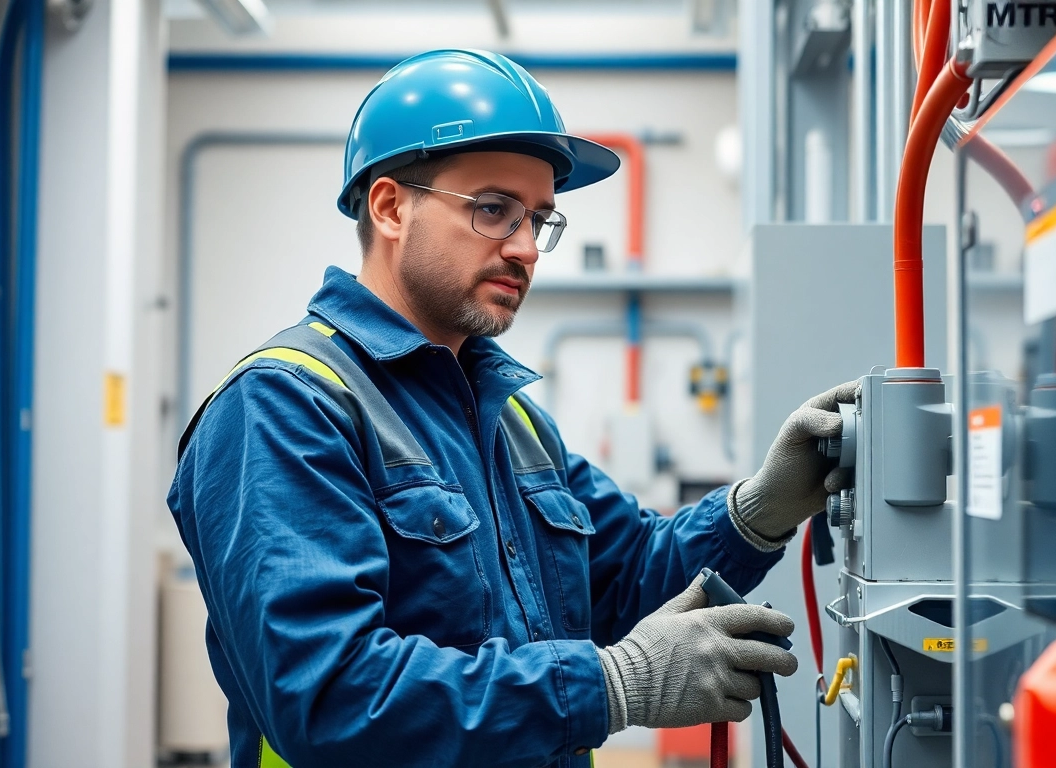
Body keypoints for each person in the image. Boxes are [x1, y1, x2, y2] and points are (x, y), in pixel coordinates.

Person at [168, 48, 855, 768]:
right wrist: (613, 684)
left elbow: (629, 575)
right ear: (391, 206)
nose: (527, 247)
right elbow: (332, 694)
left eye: (539, 219)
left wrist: (761, 508)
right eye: (494, 210)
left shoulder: (508, 419)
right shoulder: (285, 405)